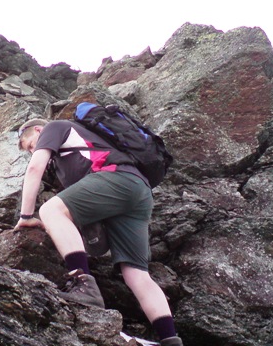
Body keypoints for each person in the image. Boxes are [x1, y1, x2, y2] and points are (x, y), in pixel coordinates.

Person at [14, 117, 183, 346]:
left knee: (51, 210)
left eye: (31, 145)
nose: (32, 151)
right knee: (135, 272)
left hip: (117, 179)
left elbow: (34, 168)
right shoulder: (69, 155)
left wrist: (25, 217)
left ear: (37, 129)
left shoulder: (54, 127)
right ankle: (170, 339)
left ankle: (83, 284)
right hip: (137, 191)